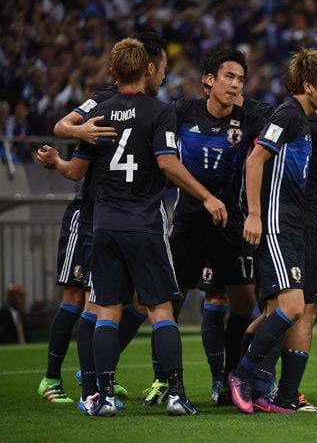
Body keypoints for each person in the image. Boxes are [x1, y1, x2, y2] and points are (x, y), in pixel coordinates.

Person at [40, 38, 224, 417]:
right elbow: (169, 165)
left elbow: (75, 171)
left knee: (107, 309)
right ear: (147, 70)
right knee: (160, 311)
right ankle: (175, 394)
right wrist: (206, 196)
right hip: (143, 224)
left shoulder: (99, 116)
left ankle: (102, 396)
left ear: (112, 73)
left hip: (104, 226)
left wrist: (59, 158)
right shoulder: (159, 112)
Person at [36, 30, 166, 405]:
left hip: (121, 217)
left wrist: (59, 158)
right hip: (91, 213)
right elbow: (65, 132)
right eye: (160, 70)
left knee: (126, 299)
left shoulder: (146, 110)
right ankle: (58, 380)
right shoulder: (103, 103)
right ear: (147, 69)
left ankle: (94, 375)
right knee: (82, 297)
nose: (162, 76)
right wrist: (78, 134)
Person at [228, 48, 317, 414]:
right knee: (293, 306)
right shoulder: (288, 114)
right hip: (274, 224)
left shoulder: (304, 122)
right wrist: (255, 214)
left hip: (291, 226)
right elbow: (255, 160)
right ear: (309, 85)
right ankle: (241, 375)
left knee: (274, 310)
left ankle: (259, 389)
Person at [161, 46, 266, 406]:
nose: (236, 85)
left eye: (241, 79)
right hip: (189, 222)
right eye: (229, 77)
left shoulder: (251, 117)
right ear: (209, 80)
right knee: (168, 301)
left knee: (242, 302)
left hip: (231, 224)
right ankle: (164, 381)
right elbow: (160, 154)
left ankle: (228, 379)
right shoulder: (180, 112)